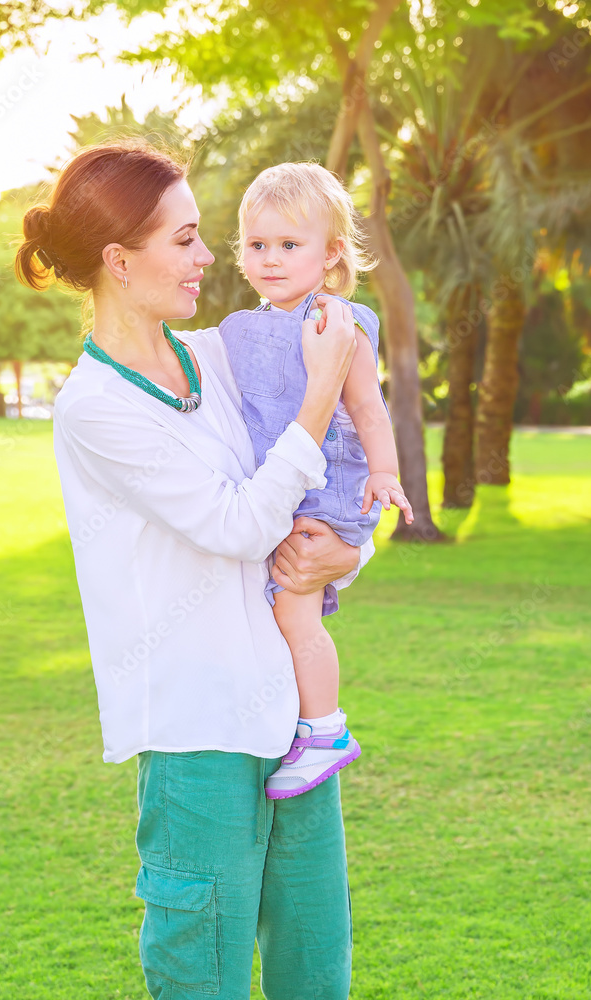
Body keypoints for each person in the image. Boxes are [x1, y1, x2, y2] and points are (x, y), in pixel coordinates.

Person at [14, 138, 373, 1000]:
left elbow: (313, 493)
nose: (211, 257)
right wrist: (320, 387)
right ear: (118, 259)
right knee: (201, 977)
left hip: (293, 728)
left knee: (314, 967)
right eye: (184, 238)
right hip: (197, 735)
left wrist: (348, 555)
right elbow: (239, 526)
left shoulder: (218, 355)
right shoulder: (93, 409)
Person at [219, 162, 413, 799]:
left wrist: (384, 471)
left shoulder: (338, 322)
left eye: (289, 244)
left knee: (296, 609)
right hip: (280, 489)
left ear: (331, 253)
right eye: (257, 245)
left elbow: (365, 408)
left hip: (327, 494)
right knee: (276, 608)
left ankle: (325, 730)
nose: (270, 259)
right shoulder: (241, 329)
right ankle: (292, 718)